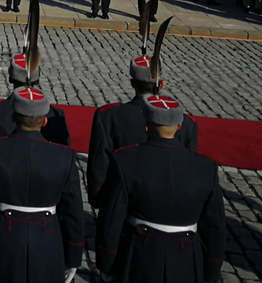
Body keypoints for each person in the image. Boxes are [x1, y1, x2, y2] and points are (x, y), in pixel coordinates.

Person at [95, 94, 224, 283]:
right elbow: (215, 225)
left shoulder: (125, 161)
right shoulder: (206, 168)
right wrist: (213, 268)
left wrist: (106, 262)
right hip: (187, 258)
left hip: (140, 255)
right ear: (179, 126)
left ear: (146, 125)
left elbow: (112, 219)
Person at [0, 86, 83, 283]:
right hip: (48, 241)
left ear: (14, 117)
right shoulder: (64, 156)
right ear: (45, 121)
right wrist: (73, 255)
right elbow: (73, 211)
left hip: (4, 237)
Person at [86, 51, 199, 207]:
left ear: (132, 83)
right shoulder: (186, 124)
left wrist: (98, 199)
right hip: (169, 206)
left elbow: (99, 164)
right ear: (162, 84)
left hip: (124, 204)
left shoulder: (109, 116)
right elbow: (190, 172)